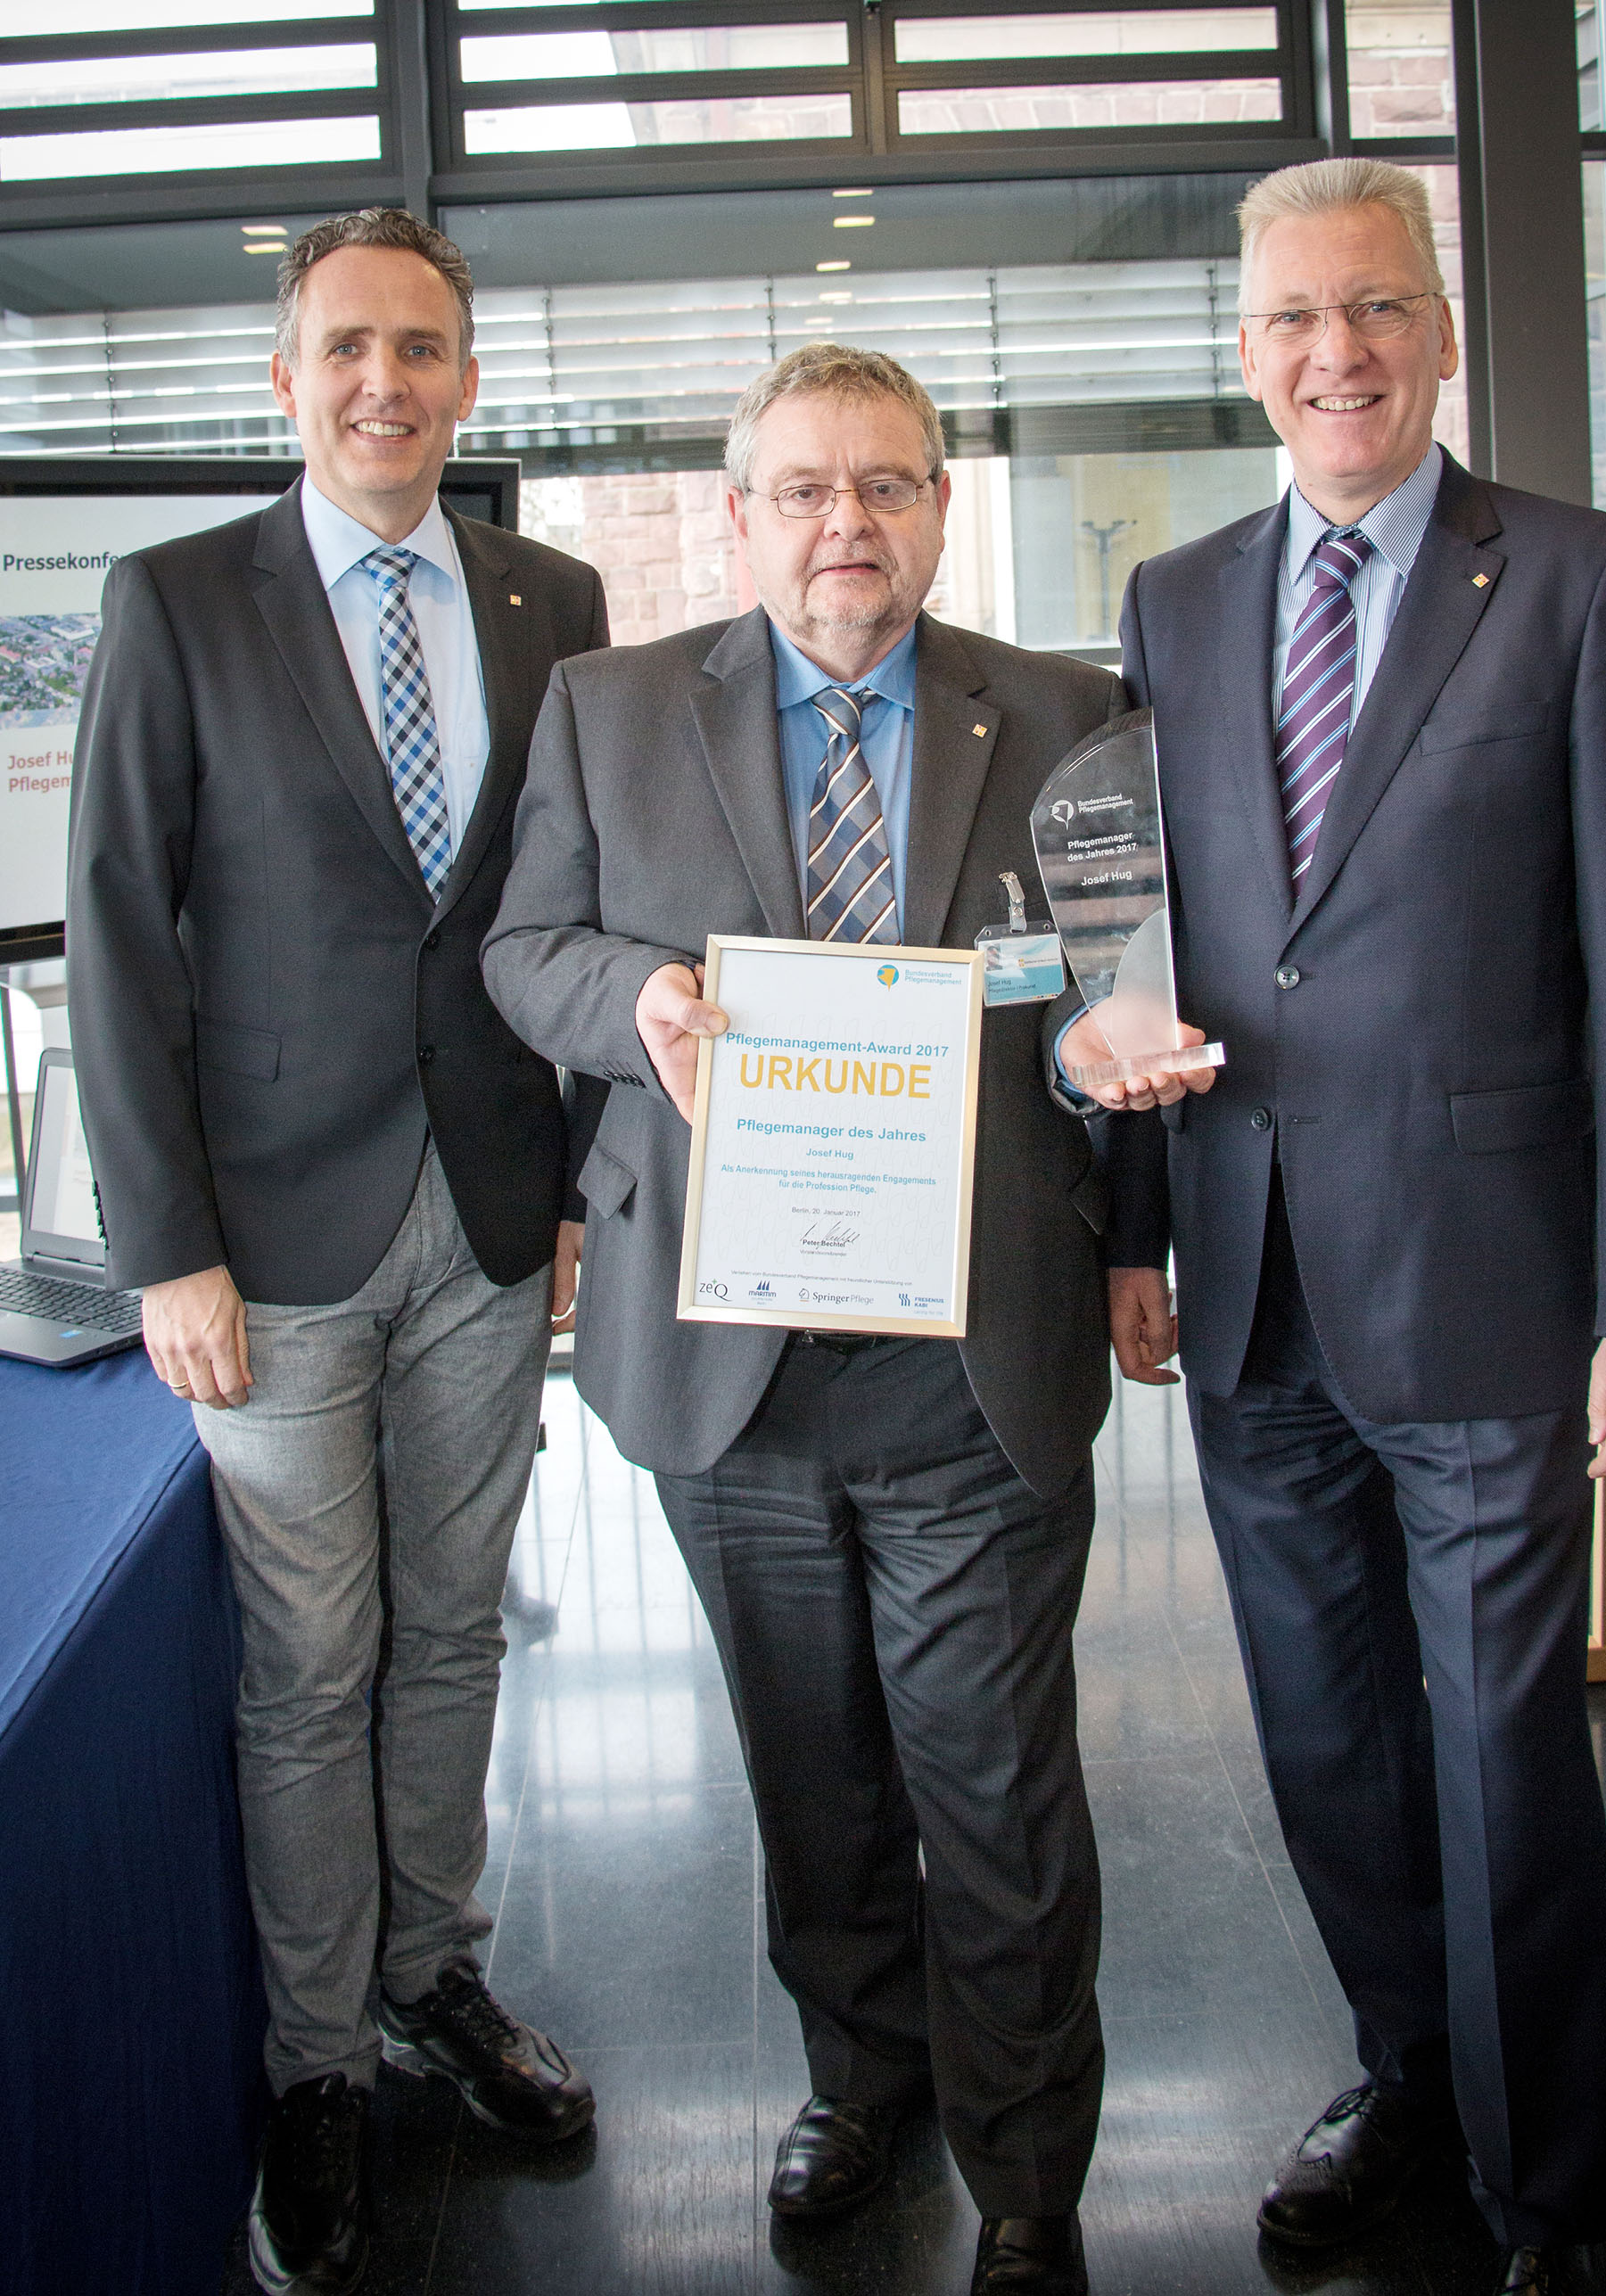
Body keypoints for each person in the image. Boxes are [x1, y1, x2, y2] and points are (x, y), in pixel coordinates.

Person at [1061, 159, 1606, 2296]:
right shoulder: (1174, 601)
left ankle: (1548, 2182)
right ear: (1244, 351)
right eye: (1291, 317)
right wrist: (1137, 1231)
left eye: (1373, 308)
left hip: (1493, 1283)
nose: (1334, 351)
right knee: (1327, 1735)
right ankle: (1405, 2072)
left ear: (1438, 331)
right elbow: (1143, 944)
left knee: (1500, 1747)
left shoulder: (1580, 578)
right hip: (1249, 1281)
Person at [483, 343, 1122, 2296]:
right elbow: (524, 949)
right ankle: (861, 2082)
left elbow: (1120, 984)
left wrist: (1134, 1188)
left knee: (993, 1787)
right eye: (806, 489)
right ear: (740, 514)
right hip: (728, 1355)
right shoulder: (606, 708)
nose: (849, 523)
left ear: (939, 505)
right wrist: (641, 1005)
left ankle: (1028, 2172)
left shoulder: (1065, 713)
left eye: (888, 484)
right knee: (811, 1769)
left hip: (972, 1356)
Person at [66, 209, 608, 2296]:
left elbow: (565, 911)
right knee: (310, 1668)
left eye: (422, 346)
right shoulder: (176, 598)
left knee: (455, 1631)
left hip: (488, 1207)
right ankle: (316, 2061)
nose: (386, 381)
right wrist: (165, 1250)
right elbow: (119, 937)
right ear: (283, 377)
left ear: (468, 376)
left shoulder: (551, 598)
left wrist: (570, 1190)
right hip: (267, 1242)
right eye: (347, 347)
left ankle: (432, 1973)